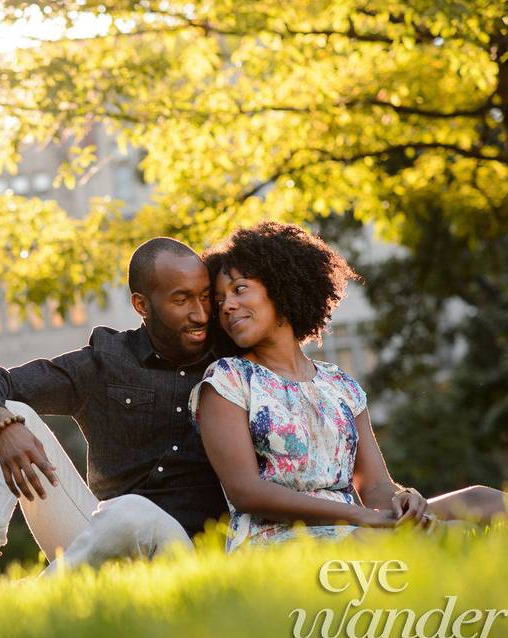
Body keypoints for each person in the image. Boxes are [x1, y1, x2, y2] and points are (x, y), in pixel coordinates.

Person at [191, 222, 506, 553]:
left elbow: (374, 486)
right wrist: (359, 517)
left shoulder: (340, 384)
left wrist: (403, 499)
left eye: (239, 289)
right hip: (275, 539)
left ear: (281, 287)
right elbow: (246, 492)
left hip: (356, 528)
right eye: (219, 299)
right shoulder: (227, 379)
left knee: (484, 501)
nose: (226, 306)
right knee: (445, 534)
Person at [0, 237, 229, 583]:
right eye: (181, 300)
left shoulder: (232, 363)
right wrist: (2, 424)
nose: (200, 313)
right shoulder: (107, 361)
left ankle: (18, 605)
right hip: (99, 543)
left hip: (183, 554)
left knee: (132, 512)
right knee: (6, 413)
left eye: (205, 296)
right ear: (142, 305)